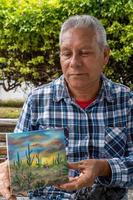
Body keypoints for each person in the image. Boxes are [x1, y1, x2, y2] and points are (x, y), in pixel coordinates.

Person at [0, 14, 133, 200]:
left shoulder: (126, 101)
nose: (74, 63)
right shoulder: (37, 100)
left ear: (105, 55)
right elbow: (17, 165)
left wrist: (104, 168)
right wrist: (9, 171)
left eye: (84, 53)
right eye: (67, 53)